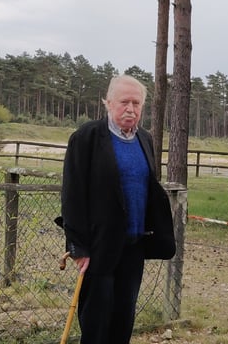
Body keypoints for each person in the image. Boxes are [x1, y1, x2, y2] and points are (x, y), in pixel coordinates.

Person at [58, 75, 176, 343]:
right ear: (109, 103)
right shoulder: (86, 138)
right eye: (124, 102)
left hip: (133, 248)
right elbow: (72, 195)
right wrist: (77, 247)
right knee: (97, 326)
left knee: (123, 323)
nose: (131, 109)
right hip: (98, 249)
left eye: (136, 103)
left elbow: (147, 188)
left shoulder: (144, 140)